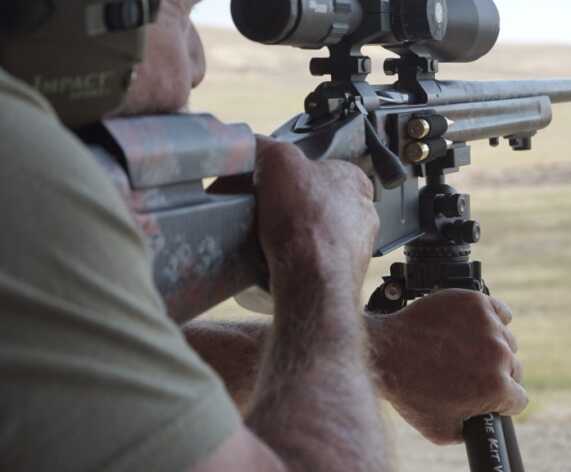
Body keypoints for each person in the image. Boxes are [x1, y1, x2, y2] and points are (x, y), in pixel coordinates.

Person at [0, 0, 527, 470]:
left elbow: (79, 361)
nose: (197, 64)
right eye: (180, 13)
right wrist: (321, 261)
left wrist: (382, 351)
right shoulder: (19, 164)